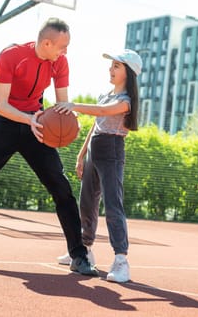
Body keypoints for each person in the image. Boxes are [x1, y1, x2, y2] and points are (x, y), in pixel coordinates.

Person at [0, 17, 98, 277]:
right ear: (46, 43)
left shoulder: (60, 63)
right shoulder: (12, 55)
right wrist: (29, 119)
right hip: (5, 123)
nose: (65, 51)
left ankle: (78, 256)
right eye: (62, 46)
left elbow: (61, 104)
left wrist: (69, 120)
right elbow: (1, 105)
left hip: (37, 124)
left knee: (61, 187)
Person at [54, 49, 142, 283]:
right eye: (111, 65)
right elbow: (96, 124)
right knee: (87, 202)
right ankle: (85, 250)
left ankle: (121, 260)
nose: (110, 69)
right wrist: (82, 155)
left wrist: (72, 105)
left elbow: (102, 112)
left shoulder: (125, 101)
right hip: (95, 147)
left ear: (129, 73)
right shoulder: (105, 94)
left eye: (116, 66)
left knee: (113, 206)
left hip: (112, 149)